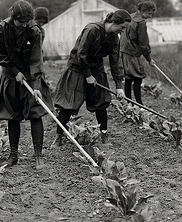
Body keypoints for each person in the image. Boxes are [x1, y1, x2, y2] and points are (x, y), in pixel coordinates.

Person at [52, 10, 131, 146]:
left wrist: (119, 86)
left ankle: (104, 135)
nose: (122, 31)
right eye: (122, 27)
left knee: (101, 103)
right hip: (77, 68)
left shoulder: (113, 38)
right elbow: (81, 54)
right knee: (68, 105)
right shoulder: (92, 30)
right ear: (114, 22)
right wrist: (88, 75)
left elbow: (115, 61)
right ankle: (58, 137)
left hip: (96, 69)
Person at [0, 0, 53, 168]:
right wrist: (14, 71)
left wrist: (35, 86)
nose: (24, 25)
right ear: (14, 19)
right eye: (21, 22)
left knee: (35, 114)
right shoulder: (2, 28)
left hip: (30, 76)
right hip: (11, 77)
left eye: (27, 22)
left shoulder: (35, 31)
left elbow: (36, 59)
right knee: (12, 116)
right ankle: (13, 155)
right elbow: (0, 55)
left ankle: (38, 155)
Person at [120, 0, 157, 105]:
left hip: (123, 50)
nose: (150, 16)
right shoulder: (141, 22)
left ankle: (129, 103)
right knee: (137, 77)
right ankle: (139, 104)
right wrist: (149, 59)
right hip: (132, 52)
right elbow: (143, 43)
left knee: (128, 77)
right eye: (149, 13)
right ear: (143, 11)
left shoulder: (130, 16)